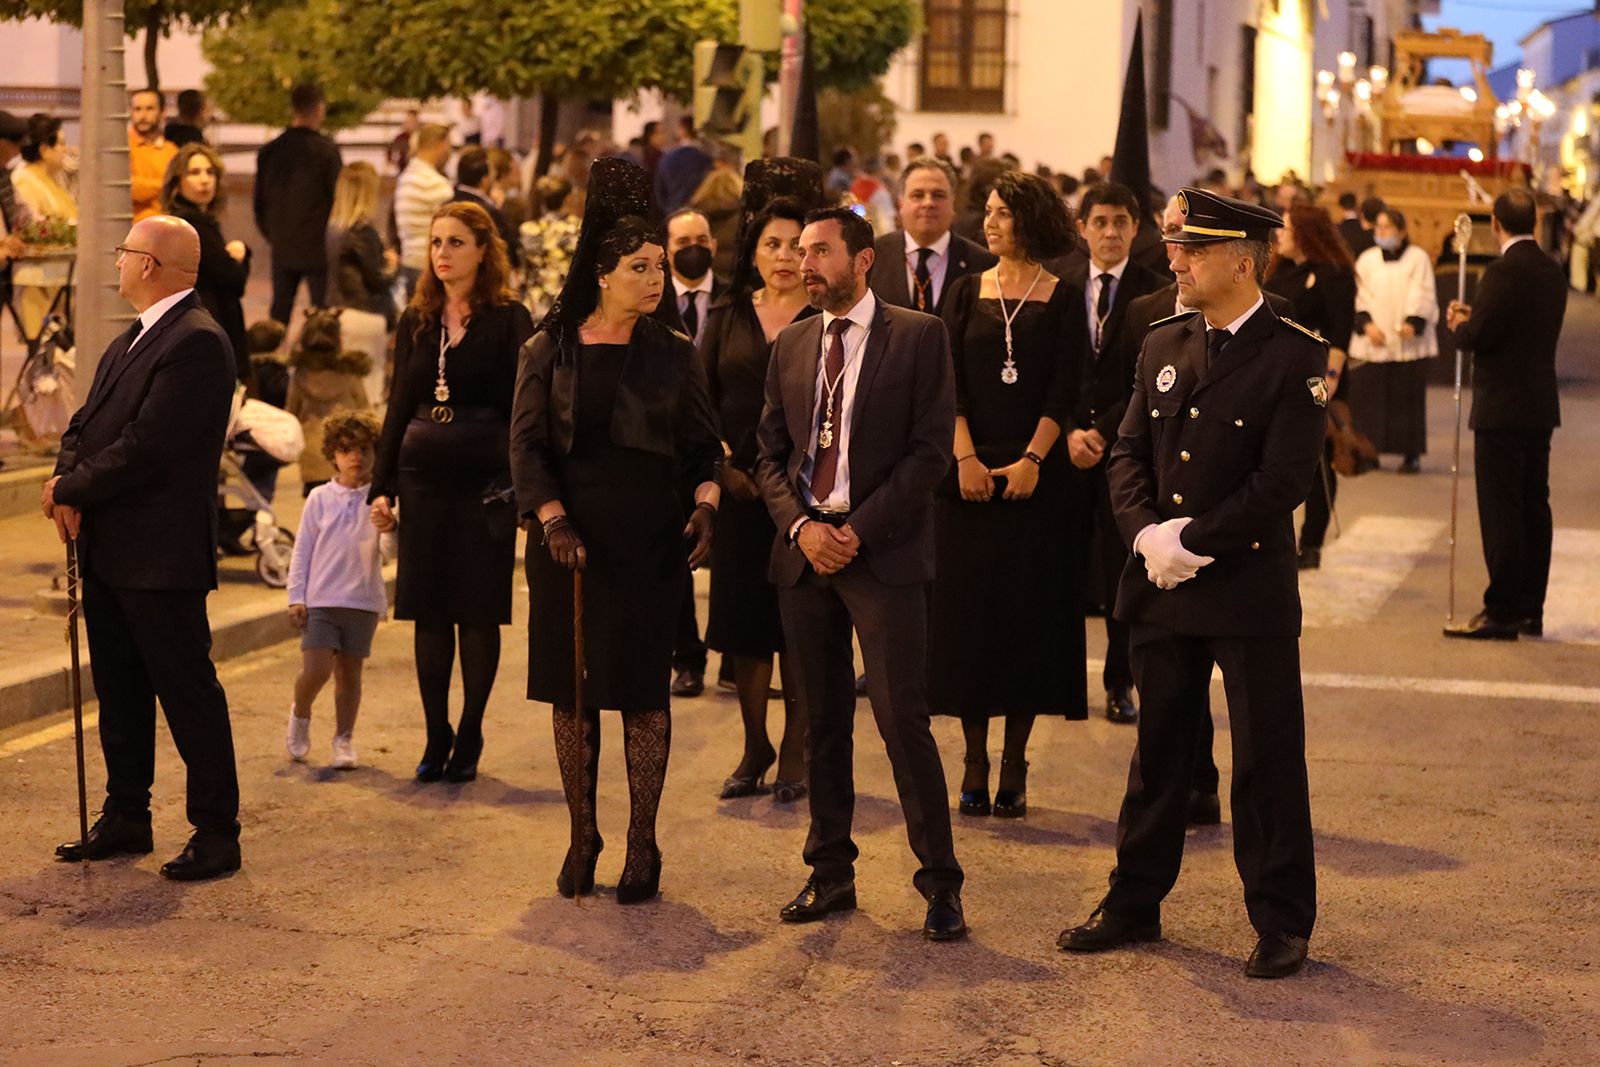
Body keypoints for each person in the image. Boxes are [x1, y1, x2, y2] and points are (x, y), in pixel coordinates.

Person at [1058, 188, 1327, 979]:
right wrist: (1146, 534)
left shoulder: (1293, 351)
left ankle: (1281, 917)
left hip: (1244, 584)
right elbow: (1127, 452)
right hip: (1162, 582)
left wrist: (1191, 540)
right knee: (1160, 751)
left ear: (1241, 262)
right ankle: (1135, 898)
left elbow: (1283, 482)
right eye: (1176, 246)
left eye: (1193, 250)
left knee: (1267, 759)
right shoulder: (1164, 340)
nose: (1173, 260)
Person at [510, 157, 721, 903]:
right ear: (603, 273)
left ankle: (641, 841)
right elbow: (526, 447)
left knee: (642, 696)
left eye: (659, 265)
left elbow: (703, 448)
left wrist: (705, 504)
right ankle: (581, 832)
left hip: (648, 542)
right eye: (639, 266)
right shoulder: (550, 346)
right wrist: (552, 519)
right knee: (574, 696)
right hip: (569, 545)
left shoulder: (673, 350)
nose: (655, 278)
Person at [755, 206, 967, 941]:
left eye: (819, 251)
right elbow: (770, 456)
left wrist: (854, 530)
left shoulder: (917, 336)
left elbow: (931, 453)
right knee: (820, 725)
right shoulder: (790, 344)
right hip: (806, 553)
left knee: (902, 721)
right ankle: (830, 871)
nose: (803, 263)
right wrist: (805, 528)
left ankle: (940, 882)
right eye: (798, 251)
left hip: (883, 553)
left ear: (863, 259)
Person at [42, 215, 242, 881]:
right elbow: (85, 423)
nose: (118, 261)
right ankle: (127, 813)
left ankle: (216, 832)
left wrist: (73, 485)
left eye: (125, 252)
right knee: (121, 691)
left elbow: (150, 447)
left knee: (187, 693)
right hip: (109, 546)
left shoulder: (197, 342)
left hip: (160, 555)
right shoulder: (134, 338)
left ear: (150, 265)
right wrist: (66, 479)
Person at [931, 170, 1088, 819]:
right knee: (970, 623)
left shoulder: (1065, 294)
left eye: (1000, 213)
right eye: (987, 212)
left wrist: (1031, 460)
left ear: (1029, 219)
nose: (988, 222)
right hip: (966, 478)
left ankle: (1015, 761)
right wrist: (964, 455)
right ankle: (971, 756)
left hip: (1036, 484)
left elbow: (1065, 388)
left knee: (1026, 622)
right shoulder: (966, 290)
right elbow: (947, 381)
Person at [370, 203, 534, 784]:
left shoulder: (511, 318)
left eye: (456, 242)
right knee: (427, 610)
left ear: (483, 250)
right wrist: (381, 486)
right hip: (422, 479)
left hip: (485, 481)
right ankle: (435, 732)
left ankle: (470, 729)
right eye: (436, 242)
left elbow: (525, 407)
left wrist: (523, 484)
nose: (442, 253)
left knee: (477, 609)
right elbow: (394, 404)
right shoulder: (416, 318)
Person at [703, 159, 824, 802]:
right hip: (743, 501)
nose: (782, 256)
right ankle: (755, 745)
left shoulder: (829, 319)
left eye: (794, 245)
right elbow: (700, 400)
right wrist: (723, 466)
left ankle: (798, 750)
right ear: (752, 250)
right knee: (747, 631)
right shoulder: (726, 316)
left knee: (799, 630)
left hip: (808, 498)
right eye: (771, 244)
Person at [1058, 182, 1168, 725]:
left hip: (1124, 446)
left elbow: (1149, 378)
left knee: (1125, 567)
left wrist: (1100, 430)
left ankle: (1120, 680)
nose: (1109, 232)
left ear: (1136, 228)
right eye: (1099, 221)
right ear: (1082, 228)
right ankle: (1057, 679)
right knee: (1060, 565)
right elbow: (1052, 368)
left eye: (1120, 222)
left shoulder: (1156, 292)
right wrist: (1069, 431)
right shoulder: (1059, 283)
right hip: (1062, 445)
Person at [1444, 187, 1567, 641]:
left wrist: (1460, 323)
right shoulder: (1551, 271)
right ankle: (1531, 608)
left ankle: (1501, 611)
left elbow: (1480, 336)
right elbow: (1519, 327)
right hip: (1538, 405)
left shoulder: (1502, 271)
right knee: (1535, 507)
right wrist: (1477, 317)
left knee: (1502, 512)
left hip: (1501, 408)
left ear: (1495, 224)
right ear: (1533, 221)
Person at [286, 410, 396, 770]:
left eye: (364, 449)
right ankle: (300, 715)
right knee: (316, 670)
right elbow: (302, 550)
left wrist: (390, 526)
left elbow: (389, 554)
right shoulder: (319, 498)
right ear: (332, 454)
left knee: (350, 674)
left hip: (362, 601)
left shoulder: (381, 499)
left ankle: (343, 739)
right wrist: (296, 596)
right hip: (321, 599)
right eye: (346, 449)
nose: (356, 457)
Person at [1265, 202, 1356, 570]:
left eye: (1286, 229)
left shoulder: (1335, 273)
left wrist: (1329, 382)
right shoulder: (1281, 269)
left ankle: (1312, 540)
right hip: (1279, 373)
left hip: (1320, 374)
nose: (1280, 236)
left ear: (1305, 233)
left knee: (1319, 459)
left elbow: (1340, 333)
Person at [661, 206, 728, 698]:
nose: (693, 247)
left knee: (732, 558)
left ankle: (734, 655)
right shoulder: (654, 300)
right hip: (672, 444)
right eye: (683, 240)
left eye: (701, 238)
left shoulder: (733, 299)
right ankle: (686, 657)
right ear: (667, 250)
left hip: (729, 442)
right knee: (678, 555)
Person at [1347, 207, 1437, 473]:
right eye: (1379, 228)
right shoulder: (1367, 259)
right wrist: (1367, 325)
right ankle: (1369, 451)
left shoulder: (1417, 258)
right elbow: (1359, 294)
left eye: (1387, 228)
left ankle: (1411, 454)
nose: (1382, 233)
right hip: (1375, 339)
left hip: (1405, 341)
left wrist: (1413, 321)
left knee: (1405, 399)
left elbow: (1423, 293)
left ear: (1401, 231)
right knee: (1369, 400)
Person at [161, 141, 252, 384]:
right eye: (194, 172)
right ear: (178, 181)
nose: (204, 180)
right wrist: (242, 255)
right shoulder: (193, 225)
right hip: (210, 324)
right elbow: (234, 278)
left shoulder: (194, 222)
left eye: (210, 172)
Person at [254, 84, 343, 324]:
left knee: (280, 311)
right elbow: (338, 199)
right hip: (318, 245)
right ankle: (317, 359)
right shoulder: (326, 151)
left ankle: (271, 358)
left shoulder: (270, 151)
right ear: (319, 109)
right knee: (321, 313)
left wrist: (273, 234)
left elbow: (259, 202)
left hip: (282, 243)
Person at [867, 157, 996, 316]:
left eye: (938, 195)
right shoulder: (871, 258)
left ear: (952, 203)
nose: (928, 203)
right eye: (918, 195)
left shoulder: (984, 265)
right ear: (901, 204)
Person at [326, 161, 398, 404]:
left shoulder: (334, 228)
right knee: (369, 389)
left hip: (339, 310)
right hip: (366, 314)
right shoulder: (362, 231)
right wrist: (393, 267)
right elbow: (376, 280)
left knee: (347, 389)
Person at [287, 307, 371, 497]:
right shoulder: (351, 372)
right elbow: (364, 411)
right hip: (347, 452)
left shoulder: (300, 374)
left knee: (317, 507)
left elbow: (291, 412)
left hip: (312, 454)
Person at [394, 123, 455, 300]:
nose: (450, 154)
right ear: (440, 145)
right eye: (449, 147)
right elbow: (455, 223)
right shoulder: (434, 183)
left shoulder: (407, 177)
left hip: (410, 261)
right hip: (428, 266)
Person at [520, 174, 583, 320]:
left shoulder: (528, 230)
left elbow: (525, 270)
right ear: (568, 199)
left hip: (535, 305)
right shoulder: (578, 229)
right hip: (568, 304)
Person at [450, 146, 520, 268]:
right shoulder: (487, 211)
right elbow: (506, 250)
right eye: (492, 175)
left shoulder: (446, 205)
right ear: (484, 180)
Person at [128, 90, 176, 223]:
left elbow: (178, 189)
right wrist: (164, 186)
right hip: (133, 229)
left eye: (149, 109)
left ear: (162, 112)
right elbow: (128, 188)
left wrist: (148, 189)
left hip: (167, 226)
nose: (143, 115)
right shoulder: (122, 148)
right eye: (137, 109)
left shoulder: (171, 150)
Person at [654, 117, 713, 215]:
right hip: (698, 212)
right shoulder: (705, 159)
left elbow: (659, 191)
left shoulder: (667, 158)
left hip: (672, 211)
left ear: (683, 130)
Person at [386, 109, 420, 175]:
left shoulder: (421, 137)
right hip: (403, 171)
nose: (408, 124)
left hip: (418, 172)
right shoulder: (400, 138)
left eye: (411, 121)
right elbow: (391, 153)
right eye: (407, 121)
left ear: (416, 122)